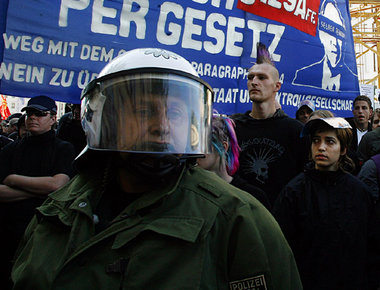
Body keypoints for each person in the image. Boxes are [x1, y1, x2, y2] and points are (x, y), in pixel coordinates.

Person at [12, 48, 302, 289]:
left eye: (174, 112)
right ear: (109, 120)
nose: (161, 126)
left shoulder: (237, 217)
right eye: (143, 111)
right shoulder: (60, 209)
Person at [273, 117, 374, 290]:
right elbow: (279, 247)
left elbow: (371, 243)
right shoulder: (294, 192)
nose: (321, 147)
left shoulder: (359, 192)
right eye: (316, 141)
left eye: (330, 141)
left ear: (343, 149)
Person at [0, 95, 76, 289]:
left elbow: (58, 185)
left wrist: (13, 180)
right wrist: (40, 190)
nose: (33, 117)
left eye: (40, 114)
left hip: (45, 232)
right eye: (30, 113)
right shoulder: (10, 149)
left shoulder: (64, 149)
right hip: (8, 230)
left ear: (53, 118)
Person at [231, 44, 307, 206]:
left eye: (262, 77)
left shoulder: (295, 130)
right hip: (241, 213)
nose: (254, 82)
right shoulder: (234, 128)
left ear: (277, 86)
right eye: (250, 77)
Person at [197, 113, 271, 209]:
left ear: (224, 147)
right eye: (193, 146)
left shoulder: (252, 196)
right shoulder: (189, 191)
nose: (196, 153)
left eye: (202, 146)